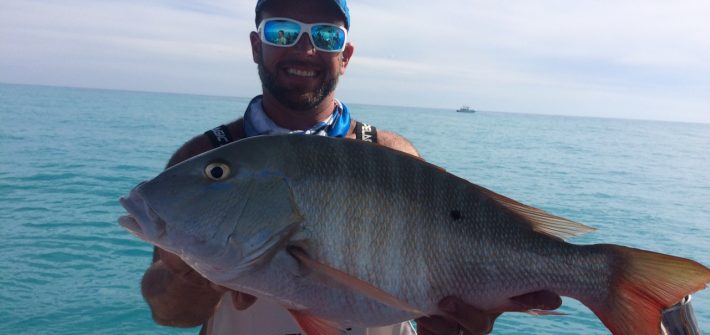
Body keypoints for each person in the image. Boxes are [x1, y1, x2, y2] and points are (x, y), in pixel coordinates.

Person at [139, 0, 562, 334]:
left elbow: (436, 302)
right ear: (256, 45)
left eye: (325, 36)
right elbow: (171, 314)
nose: (304, 48)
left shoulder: (391, 154)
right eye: (282, 30)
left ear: (345, 55)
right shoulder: (206, 157)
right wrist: (191, 276)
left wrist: (456, 326)